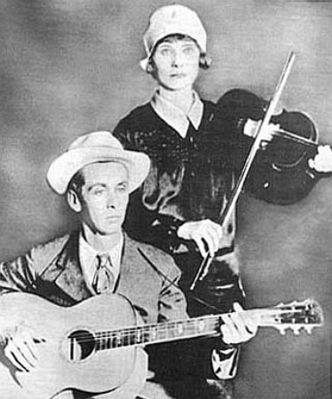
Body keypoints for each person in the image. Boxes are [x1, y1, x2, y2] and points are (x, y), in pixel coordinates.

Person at [112, 3, 332, 396]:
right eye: (166, 51)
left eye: (187, 50)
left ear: (201, 58)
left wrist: (313, 168)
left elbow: (272, 186)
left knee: (211, 390)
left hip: (220, 289)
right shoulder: (132, 132)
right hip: (153, 289)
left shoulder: (227, 122)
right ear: (150, 62)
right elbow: (121, 220)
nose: (177, 62)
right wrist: (182, 228)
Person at [0, 131, 258, 399]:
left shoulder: (160, 267)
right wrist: (8, 330)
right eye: (99, 190)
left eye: (121, 188)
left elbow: (182, 353)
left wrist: (226, 344)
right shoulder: (45, 258)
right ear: (76, 200)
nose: (113, 202)